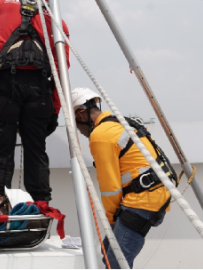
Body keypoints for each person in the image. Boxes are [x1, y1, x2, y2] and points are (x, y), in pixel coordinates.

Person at [0, 0, 69, 203]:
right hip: (39, 89)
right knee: (36, 151)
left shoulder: (2, 3)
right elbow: (62, 70)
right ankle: (41, 205)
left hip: (4, 84)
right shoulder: (56, 21)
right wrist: (55, 110)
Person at [70, 88, 173, 269]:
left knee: (116, 262)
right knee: (108, 253)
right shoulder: (120, 122)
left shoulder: (100, 136)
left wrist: (111, 221)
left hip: (142, 201)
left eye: (77, 126)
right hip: (154, 193)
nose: (80, 131)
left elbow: (110, 188)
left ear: (81, 116)